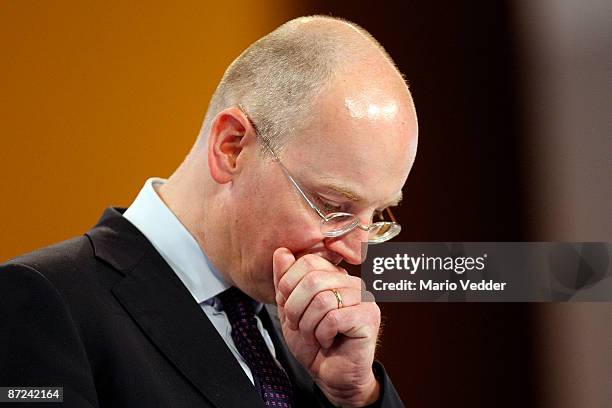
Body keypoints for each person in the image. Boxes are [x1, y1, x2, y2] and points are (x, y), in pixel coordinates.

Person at [0, 15, 417, 408]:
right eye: (332, 206)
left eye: (376, 215)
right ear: (231, 147)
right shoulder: (42, 302)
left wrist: (356, 397)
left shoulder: (313, 329)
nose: (357, 254)